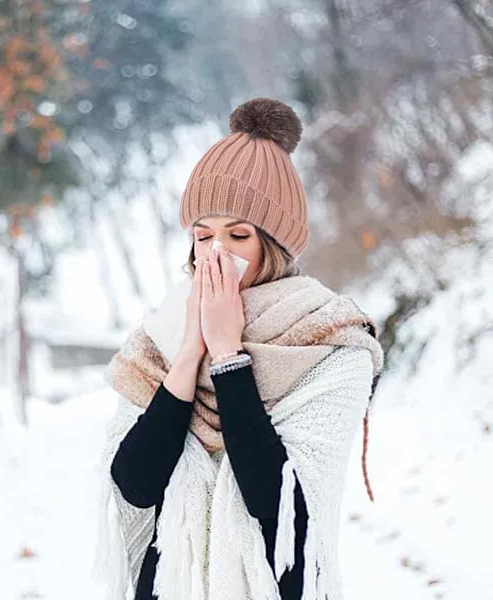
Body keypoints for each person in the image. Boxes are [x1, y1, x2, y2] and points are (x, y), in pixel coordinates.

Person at [94, 97, 385, 600]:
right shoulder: (162, 332)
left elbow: (278, 502)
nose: (216, 253)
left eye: (238, 235)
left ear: (273, 244)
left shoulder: (331, 343)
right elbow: (134, 483)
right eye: (202, 235)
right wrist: (190, 352)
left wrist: (229, 357)